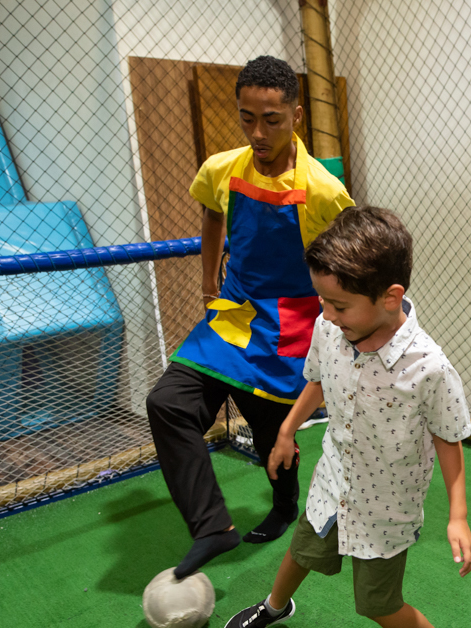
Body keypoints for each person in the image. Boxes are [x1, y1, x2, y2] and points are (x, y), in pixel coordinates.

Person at [221, 206, 471, 628]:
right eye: (323, 301)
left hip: (386, 505)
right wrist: (286, 431)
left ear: (390, 297)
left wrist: (458, 514)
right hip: (333, 479)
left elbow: (449, 438)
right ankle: (275, 607)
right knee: (303, 547)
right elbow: (318, 381)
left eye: (339, 305)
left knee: (377, 603)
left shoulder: (429, 368)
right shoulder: (329, 329)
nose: (328, 314)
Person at [146, 56, 354, 579]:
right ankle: (212, 526)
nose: (258, 133)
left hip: (289, 327)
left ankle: (285, 506)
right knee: (168, 403)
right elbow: (212, 213)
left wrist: (343, 327)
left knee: (272, 437)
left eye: (271, 120)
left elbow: (350, 260)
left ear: (296, 117)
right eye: (247, 118)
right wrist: (208, 281)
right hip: (233, 315)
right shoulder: (221, 169)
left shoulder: (323, 189)